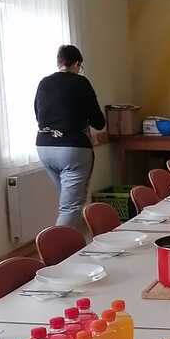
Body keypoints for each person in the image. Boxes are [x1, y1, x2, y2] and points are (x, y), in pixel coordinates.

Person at [35, 45, 106, 230]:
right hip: (72, 149)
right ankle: (57, 247)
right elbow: (99, 121)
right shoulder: (80, 82)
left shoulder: (44, 83)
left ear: (59, 62)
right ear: (76, 64)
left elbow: (38, 115)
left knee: (69, 202)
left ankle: (77, 243)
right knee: (71, 207)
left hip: (44, 147)